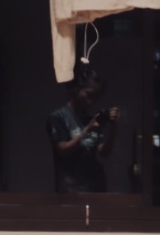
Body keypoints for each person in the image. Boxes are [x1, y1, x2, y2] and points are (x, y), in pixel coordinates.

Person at [47, 62, 119, 193]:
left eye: (96, 97)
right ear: (76, 90)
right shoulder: (58, 117)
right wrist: (87, 130)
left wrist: (113, 129)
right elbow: (63, 150)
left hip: (96, 187)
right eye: (89, 94)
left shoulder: (90, 118)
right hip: (70, 189)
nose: (92, 101)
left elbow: (104, 152)